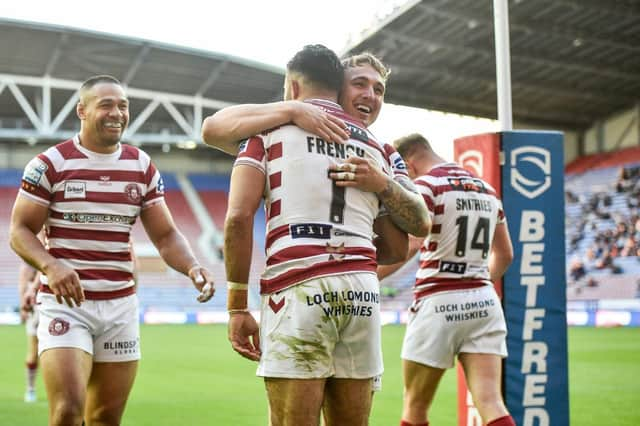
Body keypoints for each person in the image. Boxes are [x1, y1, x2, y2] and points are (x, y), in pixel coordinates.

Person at [9, 75, 215, 426]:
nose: (116, 113)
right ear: (82, 111)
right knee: (67, 411)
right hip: (67, 305)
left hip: (120, 308)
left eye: (123, 105)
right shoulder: (50, 164)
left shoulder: (141, 166)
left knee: (105, 418)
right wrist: (51, 266)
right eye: (106, 104)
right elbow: (19, 231)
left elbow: (165, 236)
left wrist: (194, 267)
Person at [224, 44, 410, 426]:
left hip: (298, 287)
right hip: (361, 292)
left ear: (292, 87)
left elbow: (239, 218)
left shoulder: (269, 130)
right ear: (339, 87)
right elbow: (398, 246)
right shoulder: (379, 150)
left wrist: (237, 306)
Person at [202, 52, 430, 239]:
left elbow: (420, 225)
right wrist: (293, 109)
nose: (370, 95)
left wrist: (382, 184)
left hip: (352, 279)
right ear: (336, 89)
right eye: (359, 84)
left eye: (378, 90)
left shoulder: (385, 153)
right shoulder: (286, 127)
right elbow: (212, 128)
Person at [377, 134, 516, 426]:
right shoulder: (487, 189)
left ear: (409, 162)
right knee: (492, 402)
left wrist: (367, 276)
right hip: (483, 300)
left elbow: (411, 245)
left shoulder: (426, 186)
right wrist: (476, 282)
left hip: (438, 300)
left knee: (415, 406)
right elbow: (504, 255)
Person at [18, 262, 40, 403]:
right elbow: (22, 286)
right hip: (36, 310)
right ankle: (30, 389)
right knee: (33, 353)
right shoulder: (28, 266)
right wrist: (23, 307)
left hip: (55, 307)